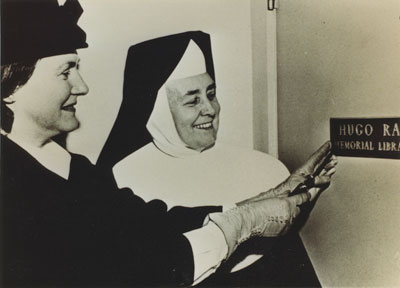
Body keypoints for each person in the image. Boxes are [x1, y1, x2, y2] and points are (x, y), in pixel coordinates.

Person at [1, 1, 335, 287]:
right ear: (12, 85)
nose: (82, 86)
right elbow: (142, 268)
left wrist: (267, 198)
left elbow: (146, 226)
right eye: (66, 72)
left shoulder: (77, 170)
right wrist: (245, 223)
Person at [97, 31, 337, 284]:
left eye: (211, 94)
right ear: (157, 110)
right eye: (192, 101)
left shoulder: (265, 169)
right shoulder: (120, 179)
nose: (210, 109)